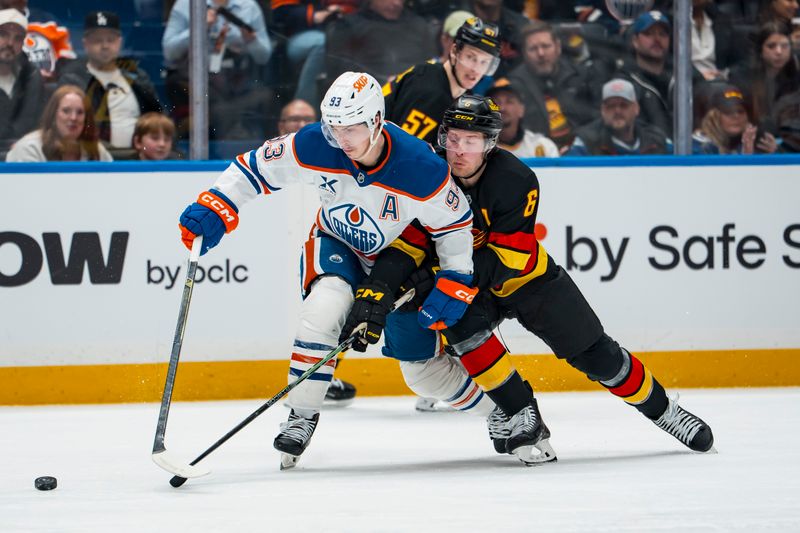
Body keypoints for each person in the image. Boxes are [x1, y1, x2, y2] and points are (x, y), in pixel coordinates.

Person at [344, 95, 715, 466]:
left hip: (528, 281)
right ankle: (521, 411)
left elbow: (510, 258)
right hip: (472, 286)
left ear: (489, 144)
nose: (458, 151)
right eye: (452, 139)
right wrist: (379, 286)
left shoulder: (516, 179)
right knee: (454, 320)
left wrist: (439, 276)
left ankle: (664, 409)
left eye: (470, 141)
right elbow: (407, 243)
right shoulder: (427, 177)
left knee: (596, 355)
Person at [177, 71, 476, 469]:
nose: (341, 140)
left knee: (420, 372)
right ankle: (300, 415)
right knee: (322, 311)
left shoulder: (420, 165)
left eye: (351, 129)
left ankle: (497, 408)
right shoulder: (316, 143)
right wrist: (218, 203)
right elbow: (253, 169)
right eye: (334, 128)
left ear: (375, 122)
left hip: (398, 262)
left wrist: (456, 276)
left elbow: (454, 223)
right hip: (335, 242)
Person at [162, 0, 273, 140]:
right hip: (194, 78)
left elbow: (264, 56)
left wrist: (251, 41)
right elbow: (169, 51)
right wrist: (199, 27)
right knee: (218, 108)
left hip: (235, 78)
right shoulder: (186, 4)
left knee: (267, 96)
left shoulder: (248, 6)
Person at [383, 17, 501, 146]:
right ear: (455, 51)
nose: (476, 69)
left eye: (484, 62)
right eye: (471, 57)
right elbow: (403, 150)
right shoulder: (427, 88)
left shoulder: (464, 96)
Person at [58, 11, 162, 151]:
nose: (105, 45)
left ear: (119, 42)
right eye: (97, 40)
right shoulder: (73, 79)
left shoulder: (137, 77)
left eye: (110, 39)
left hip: (139, 159)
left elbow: (159, 116)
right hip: (93, 158)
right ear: (85, 44)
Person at [506, 21, 598, 152]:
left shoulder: (582, 76)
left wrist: (578, 143)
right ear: (524, 53)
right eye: (533, 48)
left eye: (546, 46)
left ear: (558, 47)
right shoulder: (513, 86)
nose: (541, 53)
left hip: (582, 151)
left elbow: (597, 118)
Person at [325, 0, 437, 84]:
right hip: (366, 93)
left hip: (413, 91)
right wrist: (381, 80)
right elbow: (339, 67)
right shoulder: (348, 26)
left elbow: (431, 64)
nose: (396, 3)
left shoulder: (419, 25)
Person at [269, 0, 358, 106]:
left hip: (343, 33)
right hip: (298, 36)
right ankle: (303, 108)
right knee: (322, 43)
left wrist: (340, 11)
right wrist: (315, 14)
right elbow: (281, 12)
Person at [6, 84, 112, 162]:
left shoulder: (96, 150)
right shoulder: (29, 148)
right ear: (53, 115)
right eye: (66, 111)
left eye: (80, 112)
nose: (73, 118)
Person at [568, 78, 673, 156]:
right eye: (611, 106)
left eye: (624, 105)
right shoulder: (586, 142)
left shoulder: (656, 140)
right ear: (602, 110)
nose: (617, 111)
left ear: (636, 108)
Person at [729, 21, 800, 131]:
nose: (779, 52)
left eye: (785, 46)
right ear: (760, 50)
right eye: (771, 46)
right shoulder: (741, 76)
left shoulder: (795, 74)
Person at [0, 8, 44, 152]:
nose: (10, 43)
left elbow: (35, 125)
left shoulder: (32, 77)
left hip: (25, 158)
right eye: (3, 35)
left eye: (18, 38)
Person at [692, 84, 779, 154]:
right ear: (712, 118)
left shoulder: (757, 143)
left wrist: (772, 157)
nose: (736, 116)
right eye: (728, 112)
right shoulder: (696, 148)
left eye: (740, 111)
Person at [485, 80, 559, 158]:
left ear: (521, 110)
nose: (502, 108)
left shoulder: (543, 147)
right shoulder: (478, 150)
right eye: (495, 102)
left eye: (509, 102)